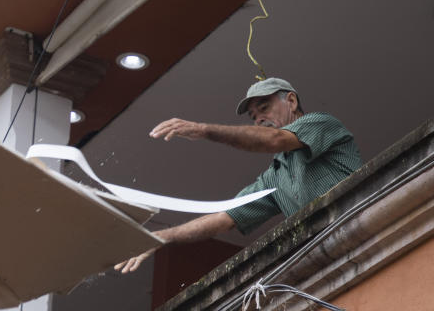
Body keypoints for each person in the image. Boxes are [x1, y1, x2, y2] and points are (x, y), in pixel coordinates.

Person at [114, 77, 362, 273]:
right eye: (254, 117)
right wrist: (162, 237)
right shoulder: (274, 177)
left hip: (359, 227)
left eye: (264, 108)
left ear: (292, 102)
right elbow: (225, 218)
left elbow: (275, 140)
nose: (259, 120)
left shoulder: (320, 123)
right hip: (329, 252)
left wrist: (203, 130)